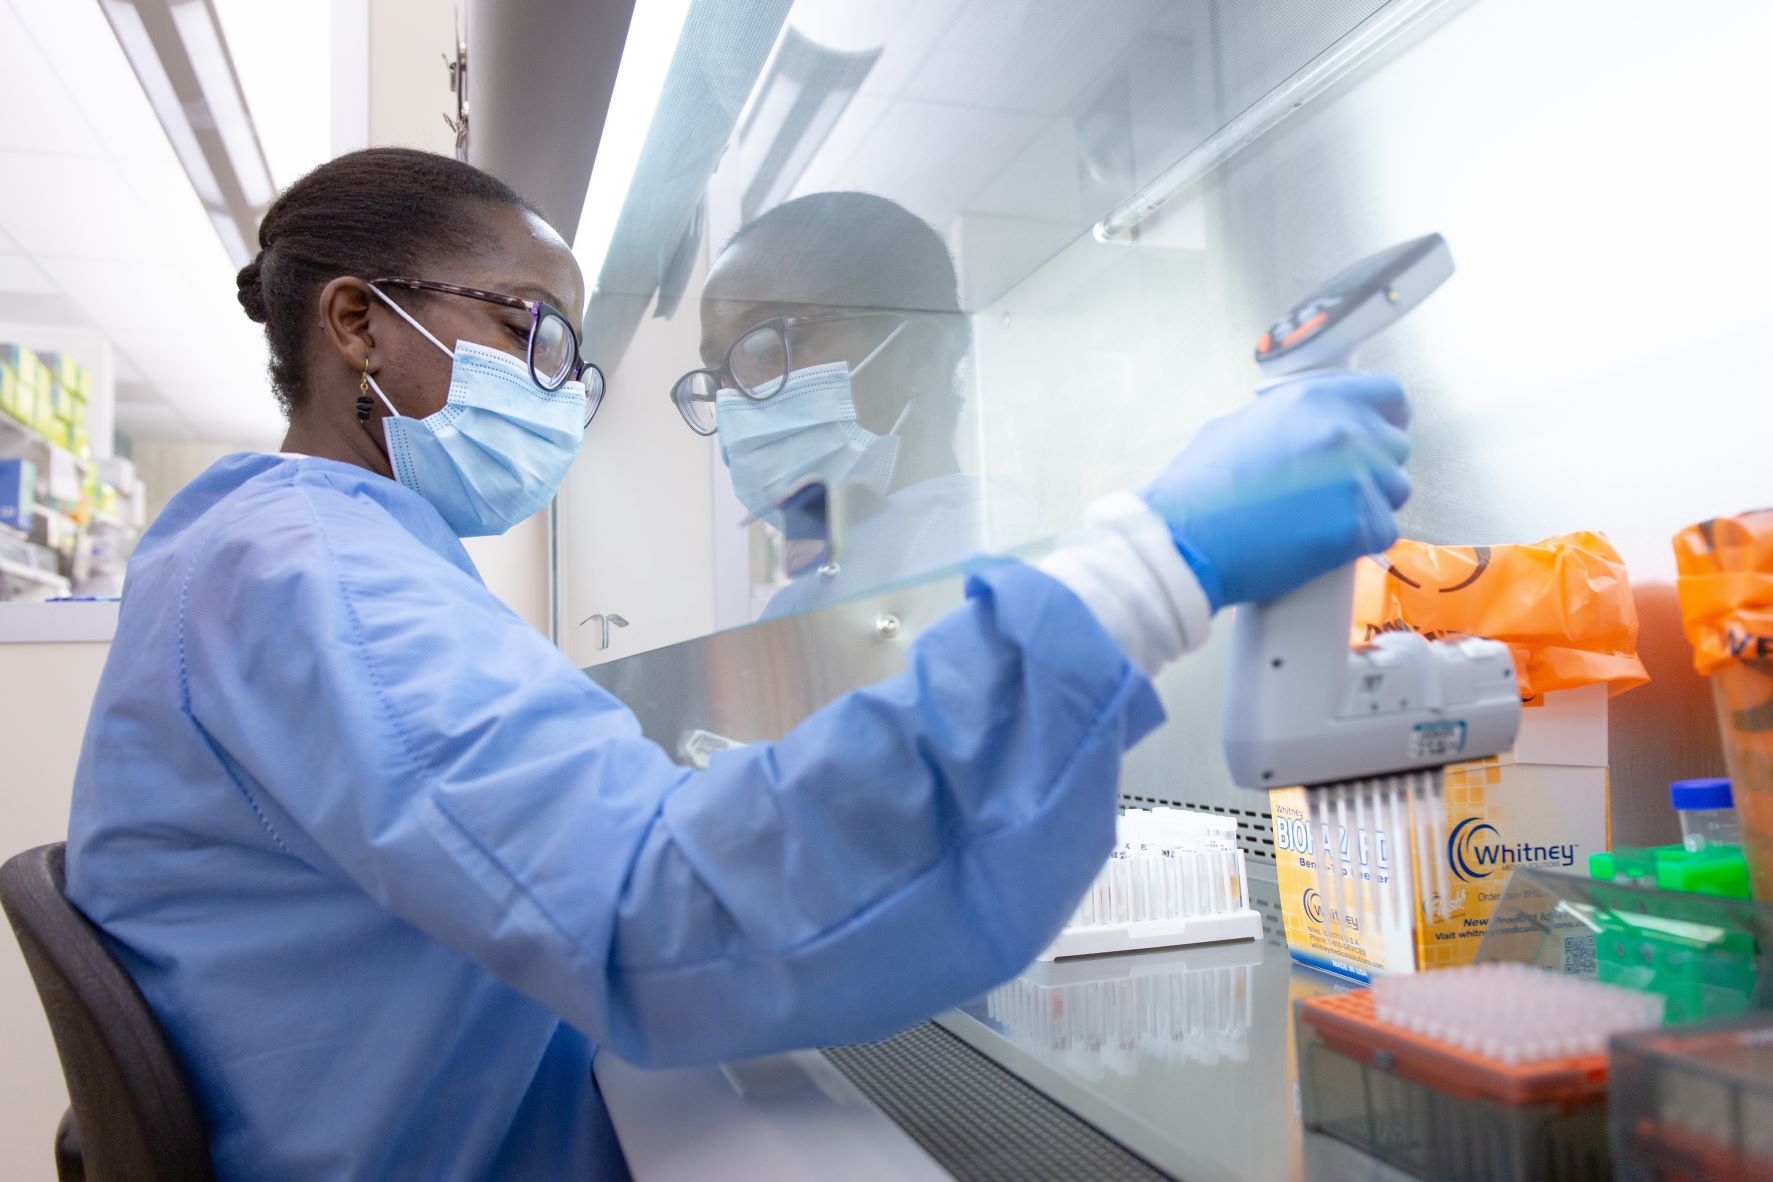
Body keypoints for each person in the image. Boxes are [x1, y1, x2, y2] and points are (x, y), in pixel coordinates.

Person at [65, 148, 1412, 1180]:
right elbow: (657, 913)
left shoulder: (295, 554)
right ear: (357, 325)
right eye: (531, 328)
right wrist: (1151, 568)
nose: (555, 386)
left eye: (568, 357)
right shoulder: (314, 574)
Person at [675, 192, 1011, 616]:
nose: (733, 404)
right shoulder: (804, 600)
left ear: (918, 358)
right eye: (720, 374)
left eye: (764, 351)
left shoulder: (1006, 555)